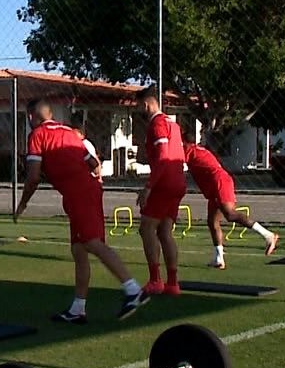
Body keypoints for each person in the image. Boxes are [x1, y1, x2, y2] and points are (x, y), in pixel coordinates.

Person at [14, 100, 149, 322]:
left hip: (79, 193)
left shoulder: (37, 135)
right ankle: (78, 309)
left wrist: (23, 204)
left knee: (92, 243)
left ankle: (133, 290)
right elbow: (93, 162)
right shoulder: (69, 132)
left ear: (31, 117)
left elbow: (33, 177)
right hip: (86, 190)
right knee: (79, 249)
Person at [183, 143, 279, 268]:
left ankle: (268, 235)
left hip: (219, 181)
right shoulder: (195, 149)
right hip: (215, 184)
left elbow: (173, 164)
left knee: (230, 214)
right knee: (212, 222)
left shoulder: (187, 149)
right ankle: (219, 258)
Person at [136, 86, 187, 296]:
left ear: (146, 103)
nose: (140, 110)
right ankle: (172, 283)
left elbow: (164, 157)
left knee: (146, 228)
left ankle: (156, 280)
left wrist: (149, 187)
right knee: (164, 231)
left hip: (164, 183)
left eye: (140, 105)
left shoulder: (157, 124)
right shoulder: (172, 124)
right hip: (178, 181)